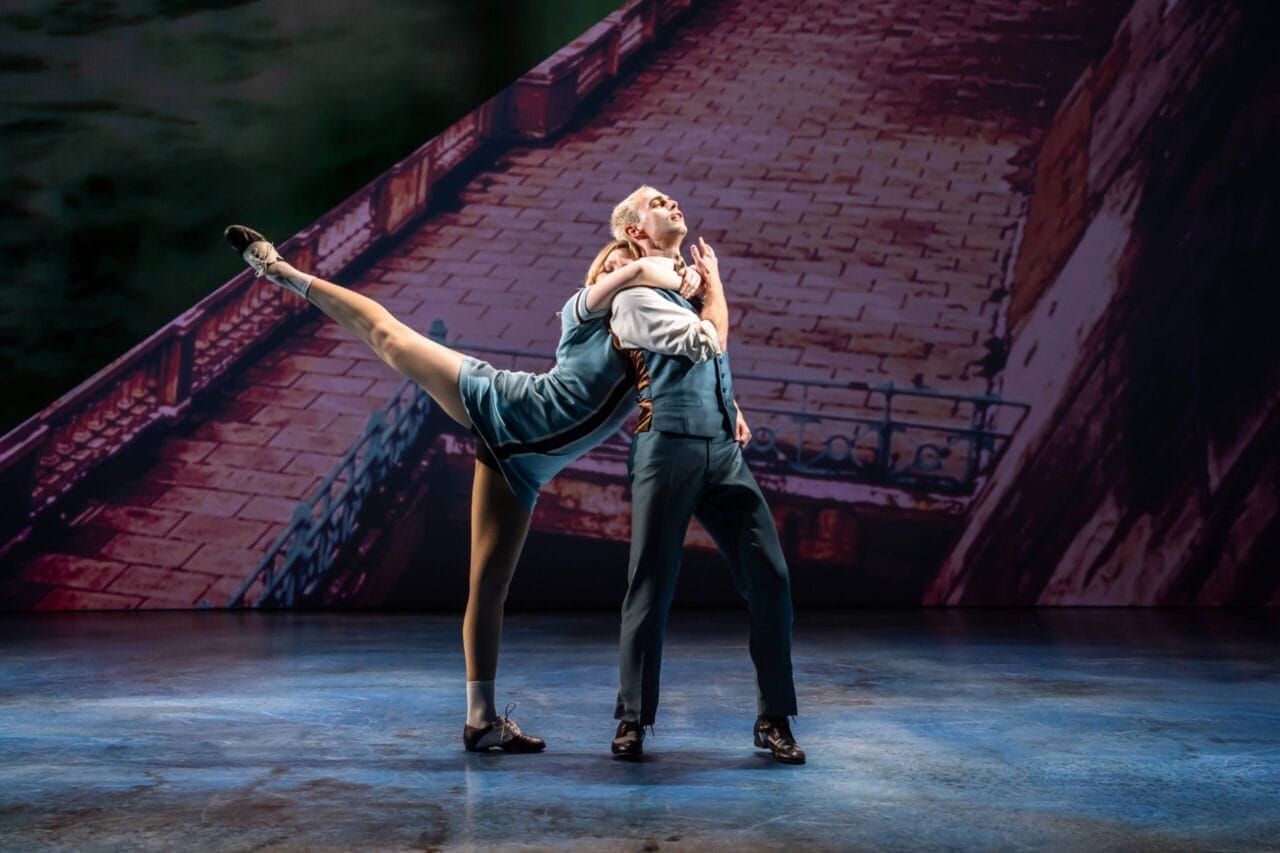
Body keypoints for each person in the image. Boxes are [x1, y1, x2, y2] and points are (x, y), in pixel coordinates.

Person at [223, 224, 701, 753]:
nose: (618, 268)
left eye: (623, 263)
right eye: (609, 263)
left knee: (489, 588)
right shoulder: (583, 309)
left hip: (523, 465)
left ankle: (481, 722)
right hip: (501, 401)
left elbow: (694, 347)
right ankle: (280, 269)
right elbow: (641, 273)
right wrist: (665, 271)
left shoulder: (643, 327)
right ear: (598, 275)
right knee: (388, 335)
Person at [604, 187, 805, 764]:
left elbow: (711, 361)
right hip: (667, 448)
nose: (669, 201)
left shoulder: (679, 286)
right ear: (636, 233)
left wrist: (729, 405)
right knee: (651, 584)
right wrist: (716, 287)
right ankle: (633, 718)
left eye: (668, 197)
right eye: (654, 203)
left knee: (771, 576)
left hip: (721, 449)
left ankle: (774, 718)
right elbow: (706, 341)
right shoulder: (634, 298)